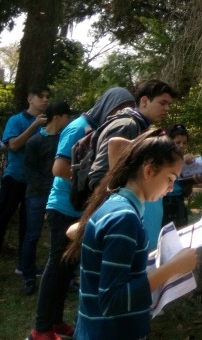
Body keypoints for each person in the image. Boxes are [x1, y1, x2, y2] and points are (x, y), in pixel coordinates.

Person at [64, 130, 197, 340]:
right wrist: (171, 269)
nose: (171, 188)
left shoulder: (118, 205)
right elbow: (112, 301)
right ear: (149, 171)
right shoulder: (124, 218)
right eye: (170, 178)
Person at [29, 86, 135, 340]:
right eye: (119, 109)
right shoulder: (79, 126)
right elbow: (58, 168)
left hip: (79, 208)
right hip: (63, 207)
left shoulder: (101, 128)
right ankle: (40, 329)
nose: (122, 114)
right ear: (108, 104)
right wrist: (88, 184)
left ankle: (54, 322)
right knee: (57, 267)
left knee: (67, 269)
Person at [87, 80, 178, 252]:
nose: (167, 109)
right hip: (114, 217)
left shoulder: (139, 126)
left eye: (169, 104)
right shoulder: (128, 125)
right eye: (162, 103)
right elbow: (100, 174)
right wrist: (114, 209)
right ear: (144, 101)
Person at [20, 101, 72, 296]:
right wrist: (47, 188)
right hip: (37, 195)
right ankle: (28, 277)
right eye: (67, 116)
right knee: (32, 235)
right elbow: (30, 171)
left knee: (63, 237)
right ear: (58, 117)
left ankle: (66, 279)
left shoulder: (65, 139)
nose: (69, 120)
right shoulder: (35, 141)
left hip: (58, 196)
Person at [0, 84, 50, 267]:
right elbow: (13, 145)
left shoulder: (49, 122)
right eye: (40, 96)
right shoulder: (17, 120)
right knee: (3, 217)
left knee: (28, 225)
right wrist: (34, 125)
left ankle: (23, 264)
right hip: (15, 178)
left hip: (34, 184)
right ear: (30, 99)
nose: (45, 100)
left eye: (47, 97)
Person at [161, 124, 202, 228]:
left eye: (184, 143)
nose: (181, 145)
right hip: (164, 202)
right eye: (178, 142)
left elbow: (186, 192)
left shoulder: (187, 161)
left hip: (179, 202)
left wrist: (192, 180)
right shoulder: (162, 160)